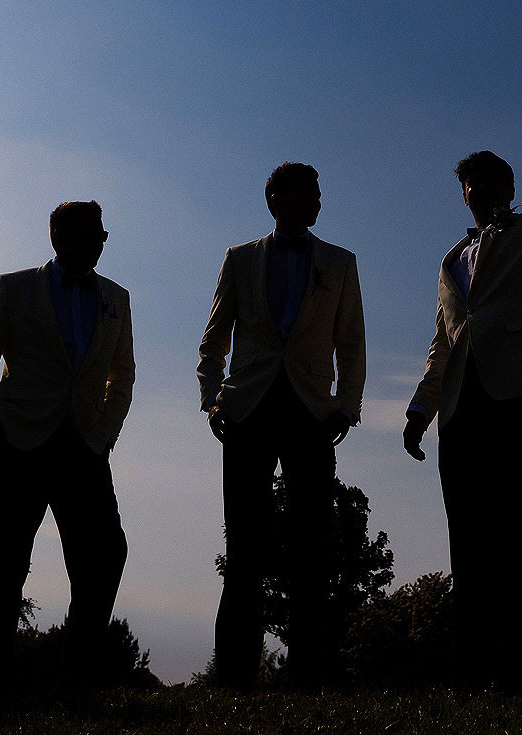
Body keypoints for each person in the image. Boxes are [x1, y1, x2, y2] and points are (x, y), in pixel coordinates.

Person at [402, 96, 522, 689]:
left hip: (519, 395)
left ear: (508, 187)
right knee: (468, 536)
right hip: (460, 405)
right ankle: (471, 667)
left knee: (519, 532)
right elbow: (443, 339)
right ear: (461, 193)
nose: (478, 188)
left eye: (488, 179)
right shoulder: (450, 259)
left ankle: (518, 669)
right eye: (469, 182)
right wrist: (419, 408)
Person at [197, 162, 367, 688]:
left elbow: (352, 342)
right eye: (309, 193)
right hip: (247, 410)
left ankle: (307, 675)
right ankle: (234, 677)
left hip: (312, 413)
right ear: (276, 199)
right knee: (244, 545)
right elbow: (214, 337)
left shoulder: (340, 263)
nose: (318, 201)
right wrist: (212, 399)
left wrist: (346, 405)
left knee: (312, 546)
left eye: (319, 193)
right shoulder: (239, 259)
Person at [0, 201, 136, 686]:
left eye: (101, 236)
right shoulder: (16, 288)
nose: (95, 244)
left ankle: (78, 673)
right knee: (3, 561)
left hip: (84, 445)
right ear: (56, 234)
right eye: (85, 234)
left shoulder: (116, 298)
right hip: (18, 441)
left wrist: (103, 436)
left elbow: (122, 375)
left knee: (104, 554)